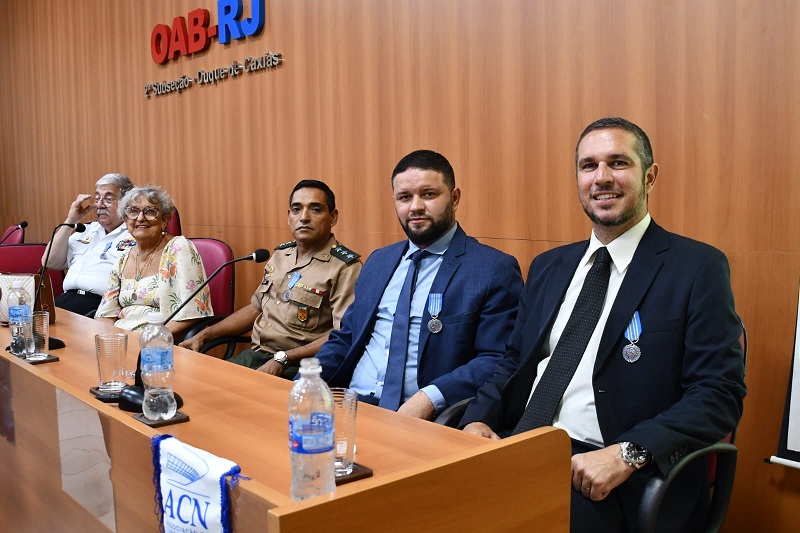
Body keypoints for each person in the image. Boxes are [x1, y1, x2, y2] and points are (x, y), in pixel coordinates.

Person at [460, 118, 747, 532]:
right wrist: (478, 421)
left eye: (618, 163)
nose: (601, 178)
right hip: (519, 447)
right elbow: (513, 363)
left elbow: (718, 394)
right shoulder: (549, 266)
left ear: (650, 176)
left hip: (614, 474)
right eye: (588, 165)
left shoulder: (696, 268)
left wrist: (625, 454)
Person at [314, 150, 523, 420]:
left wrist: (429, 397)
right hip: (349, 407)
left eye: (428, 194)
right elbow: (347, 337)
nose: (415, 207)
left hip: (422, 416)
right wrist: (303, 382)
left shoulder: (492, 269)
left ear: (455, 198)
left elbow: (497, 358)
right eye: (404, 197)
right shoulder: (379, 261)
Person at [180, 180, 361, 379]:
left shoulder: (344, 267)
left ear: (333, 217)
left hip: (301, 366)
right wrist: (205, 335)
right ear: (288, 216)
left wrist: (283, 358)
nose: (304, 217)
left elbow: (342, 335)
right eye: (296, 209)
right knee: (199, 383)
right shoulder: (281, 256)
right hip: (258, 355)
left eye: (315, 209)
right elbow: (255, 308)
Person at [95, 185, 213, 339]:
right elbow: (105, 314)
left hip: (158, 343)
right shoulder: (123, 257)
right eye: (133, 211)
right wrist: (110, 341)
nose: (140, 218)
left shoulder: (178, 248)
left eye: (150, 212)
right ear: (125, 219)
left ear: (164, 220)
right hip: (120, 340)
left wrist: (148, 339)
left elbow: (193, 312)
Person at [42, 173, 135, 316]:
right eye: (97, 198)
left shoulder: (134, 235)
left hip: (100, 308)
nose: (100, 204)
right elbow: (49, 261)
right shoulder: (85, 230)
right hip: (64, 301)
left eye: (108, 199)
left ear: (126, 203)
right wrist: (71, 220)